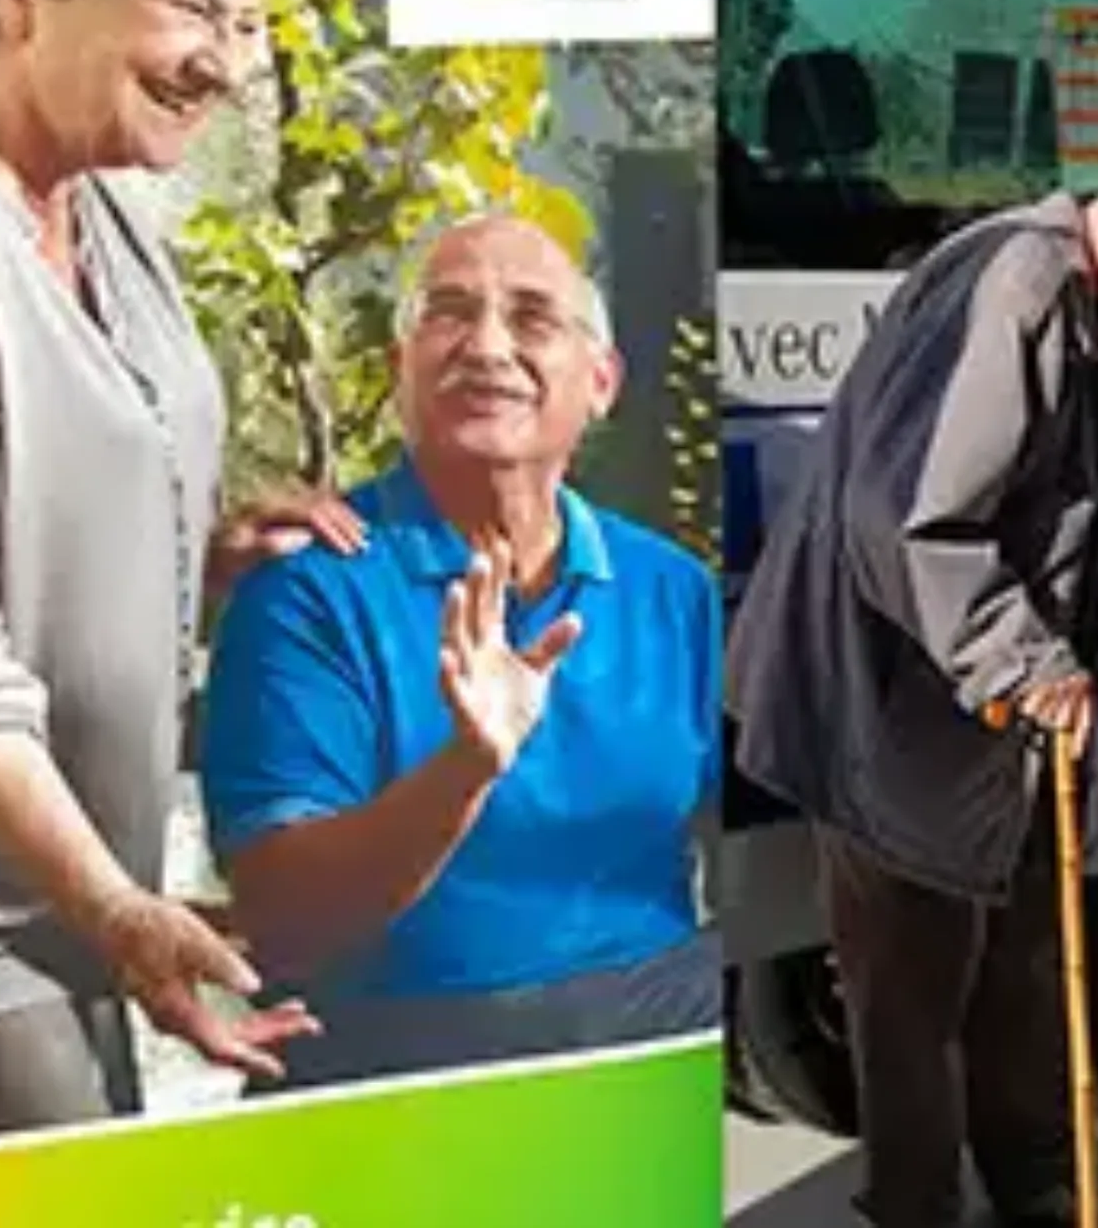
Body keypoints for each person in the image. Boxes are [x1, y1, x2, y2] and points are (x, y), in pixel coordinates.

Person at [0, 0, 362, 1140]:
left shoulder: (92, 185)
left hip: (91, 904)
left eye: (248, 24)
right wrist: (114, 913)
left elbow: (53, 524)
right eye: (199, 10)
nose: (234, 64)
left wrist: (199, 559)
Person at [729, 142, 1098, 1228]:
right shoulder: (1020, 287)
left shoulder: (1053, 282)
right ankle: (917, 1208)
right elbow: (913, 515)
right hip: (896, 698)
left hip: (974, 709)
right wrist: (1025, 659)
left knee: (1019, 956)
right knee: (912, 992)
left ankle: (1035, 1182)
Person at [196, 213, 726, 1089]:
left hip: (649, 1045)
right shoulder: (306, 589)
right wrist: (467, 768)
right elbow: (283, 917)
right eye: (447, 312)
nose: (486, 345)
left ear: (601, 381)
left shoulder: (672, 588)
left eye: (531, 317)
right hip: (403, 1068)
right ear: (400, 372)